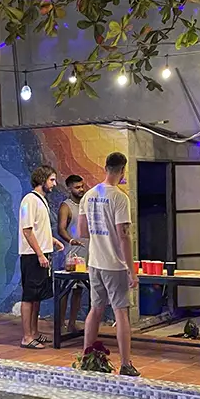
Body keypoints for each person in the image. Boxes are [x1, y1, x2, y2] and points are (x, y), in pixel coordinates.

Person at [78, 152, 140, 377]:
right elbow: (124, 236)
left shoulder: (89, 195)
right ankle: (125, 363)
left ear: (105, 168)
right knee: (121, 312)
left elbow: (82, 231)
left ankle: (86, 358)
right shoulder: (120, 198)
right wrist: (132, 271)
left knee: (95, 309)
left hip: (94, 262)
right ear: (122, 171)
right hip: (115, 264)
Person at [19, 165, 64, 348]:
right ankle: (26, 337)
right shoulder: (28, 200)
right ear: (42, 179)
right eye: (52, 180)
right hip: (32, 256)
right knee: (29, 296)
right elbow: (27, 230)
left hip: (42, 254)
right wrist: (39, 254)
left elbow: (38, 229)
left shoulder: (41, 200)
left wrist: (52, 240)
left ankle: (35, 332)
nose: (54, 183)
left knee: (38, 296)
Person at [57, 174, 89, 333]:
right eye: (77, 187)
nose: (81, 189)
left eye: (82, 186)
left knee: (79, 290)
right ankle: (61, 324)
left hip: (86, 253)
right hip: (71, 255)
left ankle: (72, 323)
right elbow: (61, 229)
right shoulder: (66, 206)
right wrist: (70, 241)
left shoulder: (86, 205)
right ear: (69, 188)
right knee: (66, 290)